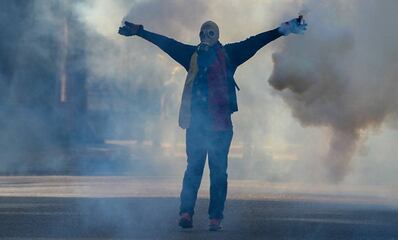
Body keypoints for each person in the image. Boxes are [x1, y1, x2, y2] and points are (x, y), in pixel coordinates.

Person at [118, 16, 307, 231]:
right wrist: (140, 31)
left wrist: (286, 28)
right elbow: (167, 44)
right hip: (196, 126)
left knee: (218, 174)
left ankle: (215, 218)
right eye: (202, 33)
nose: (205, 37)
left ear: (217, 36)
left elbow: (257, 41)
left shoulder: (230, 54)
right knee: (193, 170)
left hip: (221, 128)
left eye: (210, 33)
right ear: (198, 36)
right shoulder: (191, 55)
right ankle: (186, 213)